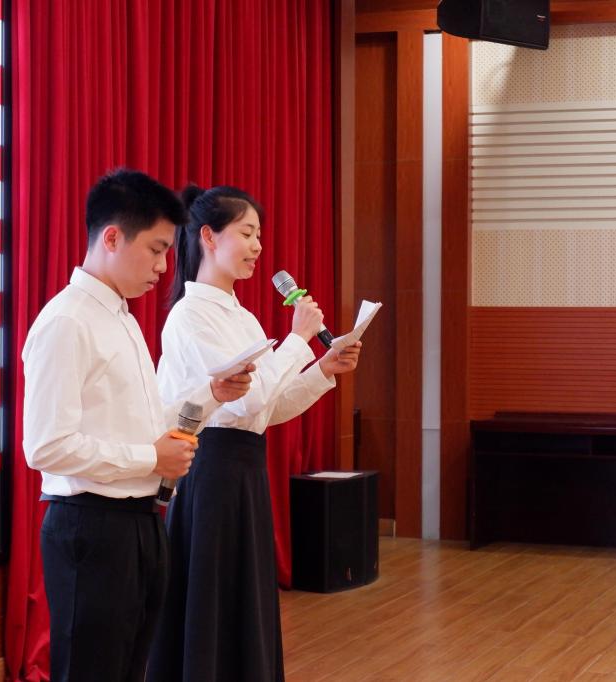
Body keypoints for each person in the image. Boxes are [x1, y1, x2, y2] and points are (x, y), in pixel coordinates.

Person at [22, 169, 255, 682]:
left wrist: (211, 394)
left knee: (130, 668)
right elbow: (46, 447)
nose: (163, 266)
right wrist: (151, 458)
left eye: (167, 251)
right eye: (155, 250)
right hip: (90, 526)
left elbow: (146, 422)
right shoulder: (67, 321)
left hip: (140, 522)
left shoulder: (122, 318)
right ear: (111, 238)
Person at [147, 185, 362, 682]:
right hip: (210, 471)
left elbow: (267, 408)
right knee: (211, 603)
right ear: (208, 237)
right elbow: (244, 400)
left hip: (245, 470)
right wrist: (298, 338)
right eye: (247, 233)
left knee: (244, 606)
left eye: (259, 235)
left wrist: (322, 369)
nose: (258, 246)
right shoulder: (190, 315)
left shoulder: (241, 316)